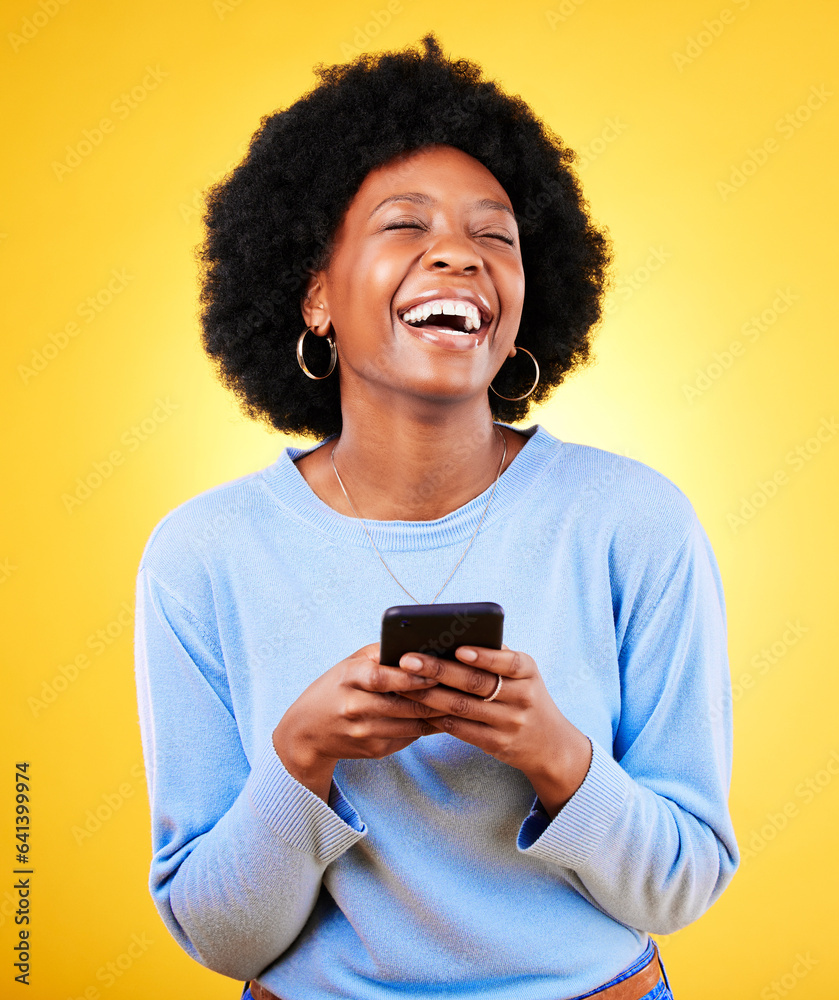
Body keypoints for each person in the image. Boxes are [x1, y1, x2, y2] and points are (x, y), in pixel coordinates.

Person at [134, 33, 739, 1000]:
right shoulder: (203, 556)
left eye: (494, 234)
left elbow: (679, 886)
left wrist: (556, 754)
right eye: (404, 226)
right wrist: (304, 755)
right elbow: (220, 937)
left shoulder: (634, 522)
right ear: (316, 295)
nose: (458, 252)